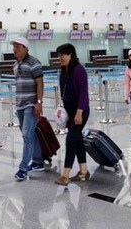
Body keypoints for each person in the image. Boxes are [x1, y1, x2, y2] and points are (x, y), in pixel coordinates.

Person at [53, 43, 90, 186]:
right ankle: (83, 171)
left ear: (71, 55)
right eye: (59, 55)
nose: (60, 58)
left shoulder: (79, 71)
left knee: (70, 140)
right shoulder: (64, 70)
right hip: (69, 111)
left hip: (80, 111)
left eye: (62, 55)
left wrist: (79, 112)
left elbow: (83, 93)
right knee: (77, 139)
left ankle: (65, 175)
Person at [11, 37, 44, 181]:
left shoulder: (34, 62)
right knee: (30, 134)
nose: (15, 49)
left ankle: (23, 169)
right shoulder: (15, 65)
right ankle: (37, 162)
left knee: (26, 135)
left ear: (25, 48)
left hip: (31, 103)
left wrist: (39, 102)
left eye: (18, 47)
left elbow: (40, 83)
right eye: (14, 47)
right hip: (20, 104)